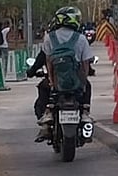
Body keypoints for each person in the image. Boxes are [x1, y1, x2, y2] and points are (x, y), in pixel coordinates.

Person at [37, 7, 95, 137]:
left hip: (57, 82)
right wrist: (83, 81)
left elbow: (49, 61)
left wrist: (52, 81)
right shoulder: (80, 38)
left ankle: (47, 114)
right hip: (76, 82)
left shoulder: (49, 38)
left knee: (42, 87)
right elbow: (85, 63)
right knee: (88, 86)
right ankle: (85, 113)